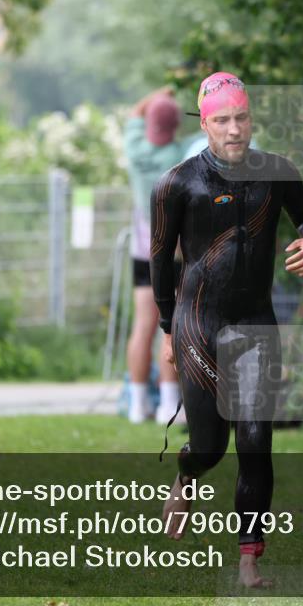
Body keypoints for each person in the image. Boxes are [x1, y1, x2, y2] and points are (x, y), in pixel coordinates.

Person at [150, 72, 303, 587]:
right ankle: (186, 476)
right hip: (197, 324)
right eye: (222, 120)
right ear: (204, 124)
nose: (234, 129)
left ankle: (249, 559)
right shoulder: (177, 184)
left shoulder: (278, 173)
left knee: (255, 440)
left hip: (255, 321)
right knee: (210, 446)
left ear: (252, 118)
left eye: (242, 118)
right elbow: (161, 263)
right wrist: (165, 330)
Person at [123, 88, 194, 424]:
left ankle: (137, 405)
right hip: (175, 253)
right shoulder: (180, 156)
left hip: (141, 250)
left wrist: (155, 95)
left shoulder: (134, 147)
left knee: (143, 326)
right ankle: (168, 404)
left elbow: (135, 114)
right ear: (175, 126)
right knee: (173, 326)